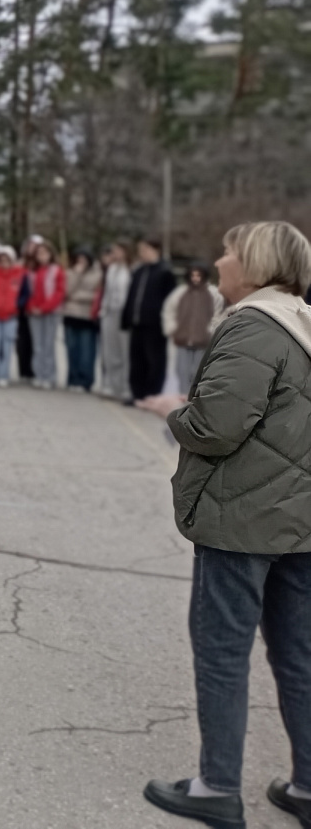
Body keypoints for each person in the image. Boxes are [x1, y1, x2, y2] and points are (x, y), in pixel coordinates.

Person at [136, 221, 311, 829]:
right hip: (301, 521)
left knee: (222, 652)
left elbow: (216, 425)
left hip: (242, 518)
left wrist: (175, 412)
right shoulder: (303, 322)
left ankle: (215, 786)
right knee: (298, 654)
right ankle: (308, 786)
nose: (219, 260)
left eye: (231, 251)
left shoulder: (254, 327)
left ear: (255, 264)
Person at [124, 236, 177, 402]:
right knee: (136, 360)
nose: (141, 253)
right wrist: (126, 318)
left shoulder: (165, 272)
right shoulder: (139, 271)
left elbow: (171, 300)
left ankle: (152, 394)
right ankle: (137, 394)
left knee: (154, 361)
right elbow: (131, 296)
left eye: (145, 249)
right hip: (137, 323)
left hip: (155, 325)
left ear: (155, 250)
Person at [163, 262, 225, 391]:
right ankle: (182, 398)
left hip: (203, 341)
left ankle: (193, 401)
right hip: (183, 339)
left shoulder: (213, 293)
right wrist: (172, 328)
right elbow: (169, 310)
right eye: (193, 275)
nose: (195, 278)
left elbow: (218, 314)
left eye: (199, 275)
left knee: (198, 372)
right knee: (181, 371)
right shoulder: (181, 292)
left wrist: (210, 331)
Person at [0, 245, 29, 388]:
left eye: (7, 260)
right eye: (1, 260)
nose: (4, 263)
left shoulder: (20, 275)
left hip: (11, 316)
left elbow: (25, 294)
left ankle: (4, 375)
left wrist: (17, 305)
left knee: (7, 346)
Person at [26, 240, 66, 390]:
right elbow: (28, 292)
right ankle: (39, 374)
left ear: (50, 254)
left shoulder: (57, 270)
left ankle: (50, 376)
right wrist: (32, 307)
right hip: (34, 313)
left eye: (45, 253)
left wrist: (44, 308)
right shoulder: (32, 271)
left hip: (51, 313)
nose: (42, 256)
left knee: (48, 345)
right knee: (38, 346)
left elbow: (59, 293)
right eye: (39, 253)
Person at [61, 247, 102, 393]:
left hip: (87, 317)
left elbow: (96, 295)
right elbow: (66, 292)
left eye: (84, 259)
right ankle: (72, 379)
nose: (81, 261)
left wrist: (78, 297)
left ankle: (86, 381)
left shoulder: (97, 274)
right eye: (78, 259)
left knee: (87, 352)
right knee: (72, 350)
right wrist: (77, 275)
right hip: (70, 316)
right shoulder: (70, 273)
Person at [98, 240, 134, 400]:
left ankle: (125, 386)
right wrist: (103, 309)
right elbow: (107, 291)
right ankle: (110, 385)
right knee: (109, 350)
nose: (115, 254)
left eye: (118, 251)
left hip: (124, 313)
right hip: (110, 312)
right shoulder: (111, 269)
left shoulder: (131, 270)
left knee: (124, 351)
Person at [17, 234, 44, 381]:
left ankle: (36, 369)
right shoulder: (21, 264)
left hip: (37, 307)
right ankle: (24, 369)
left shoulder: (42, 266)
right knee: (23, 339)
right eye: (30, 245)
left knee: (36, 340)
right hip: (22, 306)